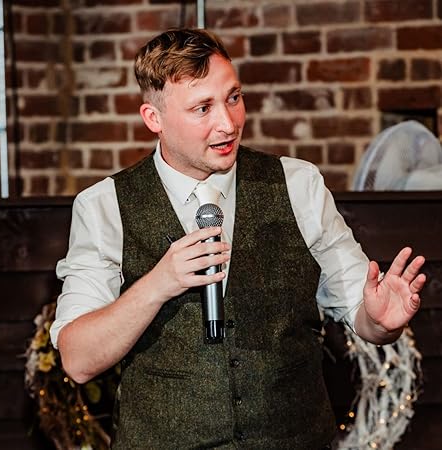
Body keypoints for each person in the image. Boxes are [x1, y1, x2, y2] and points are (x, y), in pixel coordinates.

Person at [50, 28, 426, 449]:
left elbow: (362, 312)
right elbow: (78, 360)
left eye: (233, 97)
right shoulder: (103, 206)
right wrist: (158, 284)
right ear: (154, 119)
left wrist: (380, 322)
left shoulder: (298, 184)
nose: (228, 123)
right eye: (202, 108)